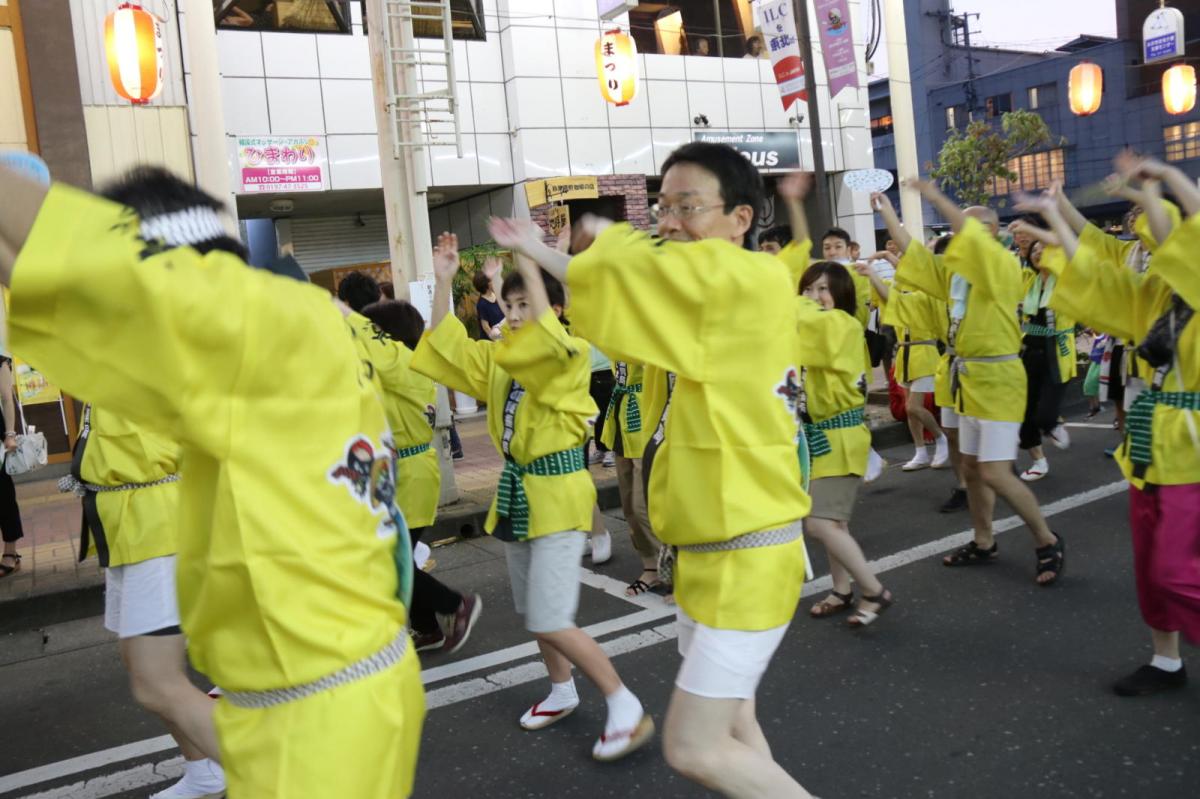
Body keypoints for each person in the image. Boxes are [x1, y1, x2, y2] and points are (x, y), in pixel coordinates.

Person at [0, 163, 425, 798]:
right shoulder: (287, 325)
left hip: (322, 720)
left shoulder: (249, 328)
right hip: (321, 701)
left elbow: (73, 260)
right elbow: (56, 278)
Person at [491, 141, 816, 798]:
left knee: (693, 744)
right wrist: (544, 251)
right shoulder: (712, 296)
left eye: (686, 205)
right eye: (661, 206)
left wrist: (606, 234)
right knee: (735, 724)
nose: (668, 220)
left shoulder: (750, 280)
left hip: (745, 559)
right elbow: (620, 284)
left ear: (742, 218)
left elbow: (635, 271)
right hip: (709, 557)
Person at [412, 233, 653, 761]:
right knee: (534, 612)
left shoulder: (568, 353)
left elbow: (545, 337)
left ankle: (624, 702)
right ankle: (563, 690)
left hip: (559, 497)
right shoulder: (504, 358)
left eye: (527, 305)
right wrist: (446, 281)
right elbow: (445, 344)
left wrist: (525, 253)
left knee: (548, 617)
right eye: (511, 305)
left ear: (555, 309)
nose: (516, 314)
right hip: (520, 492)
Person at [1018, 153, 1198, 696]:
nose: (1144, 246)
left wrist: (1163, 180)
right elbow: (1097, 275)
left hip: (1192, 448)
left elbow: (1180, 229)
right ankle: (1166, 661)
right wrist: (1056, 217)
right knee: (1148, 563)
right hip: (1151, 439)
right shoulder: (1154, 294)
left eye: (1151, 234)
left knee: (1175, 569)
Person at [903, 178, 1065, 586]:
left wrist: (936, 196)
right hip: (969, 377)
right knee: (973, 470)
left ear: (989, 233)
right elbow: (919, 262)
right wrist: (884, 208)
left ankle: (1047, 540)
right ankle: (983, 539)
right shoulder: (960, 276)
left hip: (998, 378)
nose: (957, 237)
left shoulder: (1002, 263)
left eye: (964, 231)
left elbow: (968, 242)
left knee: (994, 471)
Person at [65, 402, 226, 799]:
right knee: (141, 667)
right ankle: (202, 770)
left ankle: (285, 779)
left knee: (155, 681)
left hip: (156, 523)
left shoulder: (138, 344)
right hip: (125, 523)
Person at [357, 297, 484, 654]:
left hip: (410, 474)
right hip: (406, 471)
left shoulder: (405, 366)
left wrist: (350, 319)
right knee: (401, 554)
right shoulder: (403, 367)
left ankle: (455, 605)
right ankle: (428, 627)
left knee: (392, 559)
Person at [798, 261, 894, 626]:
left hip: (840, 437)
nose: (814, 297)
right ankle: (841, 589)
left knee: (820, 524)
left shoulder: (841, 325)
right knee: (833, 524)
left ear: (840, 294)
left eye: (823, 289)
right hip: (820, 437)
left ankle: (874, 590)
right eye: (807, 289)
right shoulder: (816, 327)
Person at [857, 247, 950, 472]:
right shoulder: (900, 289)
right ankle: (920, 452)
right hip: (904, 354)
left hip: (924, 353)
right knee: (910, 410)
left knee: (913, 406)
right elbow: (886, 293)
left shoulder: (928, 293)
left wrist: (880, 266)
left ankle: (941, 438)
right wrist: (881, 264)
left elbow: (893, 295)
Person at [1010, 238, 1075, 482]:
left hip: (1056, 353)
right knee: (1022, 414)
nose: (1038, 254)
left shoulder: (1066, 280)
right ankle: (1039, 461)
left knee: (1044, 415)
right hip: (1029, 352)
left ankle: (1051, 424)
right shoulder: (1029, 281)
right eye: (1034, 251)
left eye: (1043, 249)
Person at [0, 356, 24, 578]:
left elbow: (7, 399)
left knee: (2, 495)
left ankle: (10, 553)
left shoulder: (0, 361)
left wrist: (9, 434)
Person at [473, 263, 505, 341]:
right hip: (492, 342)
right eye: (491, 280)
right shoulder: (482, 304)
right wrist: (498, 340)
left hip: (502, 335)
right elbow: (486, 327)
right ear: (485, 284)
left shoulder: (496, 295)